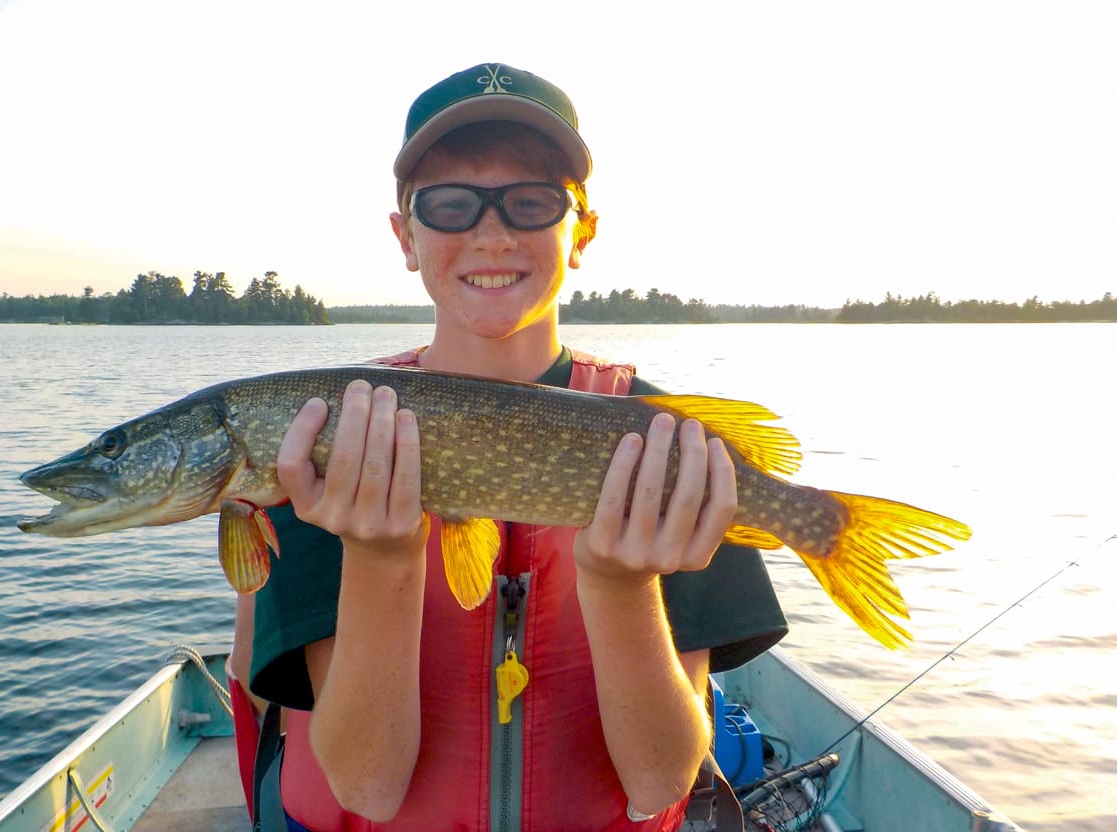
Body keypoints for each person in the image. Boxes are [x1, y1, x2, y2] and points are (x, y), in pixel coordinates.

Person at [236, 62, 788, 832]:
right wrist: (380, 559)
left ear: (582, 231)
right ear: (406, 235)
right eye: (451, 204)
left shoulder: (666, 441)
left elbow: (661, 781)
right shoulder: (327, 443)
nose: (491, 234)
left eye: (531, 203)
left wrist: (623, 588)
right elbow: (366, 787)